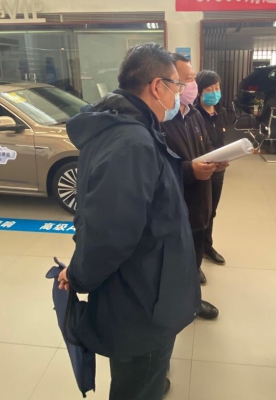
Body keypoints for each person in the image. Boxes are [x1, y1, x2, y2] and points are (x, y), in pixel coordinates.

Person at [58, 43, 200, 400]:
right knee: (138, 382)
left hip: (146, 283)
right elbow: (110, 233)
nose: (179, 94)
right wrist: (78, 274)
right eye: (176, 85)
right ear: (157, 86)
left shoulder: (125, 126)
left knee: (143, 376)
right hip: (142, 298)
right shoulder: (131, 142)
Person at [160, 53, 226, 318]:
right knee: (174, 259)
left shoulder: (194, 114)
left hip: (199, 203)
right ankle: (174, 304)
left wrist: (216, 160)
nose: (193, 85)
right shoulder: (160, 119)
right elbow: (156, 168)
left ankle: (192, 300)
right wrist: (190, 170)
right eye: (187, 79)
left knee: (195, 255)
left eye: (193, 79)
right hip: (176, 207)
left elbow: (207, 146)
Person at [195, 69, 229, 266]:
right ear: (199, 91)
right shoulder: (194, 115)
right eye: (209, 89)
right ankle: (195, 255)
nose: (215, 92)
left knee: (212, 211)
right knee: (200, 214)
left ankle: (207, 246)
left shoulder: (221, 113)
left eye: (217, 88)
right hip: (201, 171)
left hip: (219, 171)